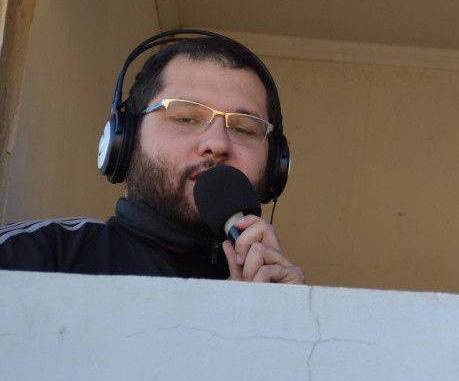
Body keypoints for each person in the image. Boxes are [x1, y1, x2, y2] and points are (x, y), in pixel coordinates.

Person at [0, 34, 305, 284]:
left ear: (276, 168)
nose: (217, 143)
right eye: (185, 118)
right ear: (125, 141)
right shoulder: (30, 256)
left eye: (243, 128)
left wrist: (285, 328)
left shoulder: (279, 300)